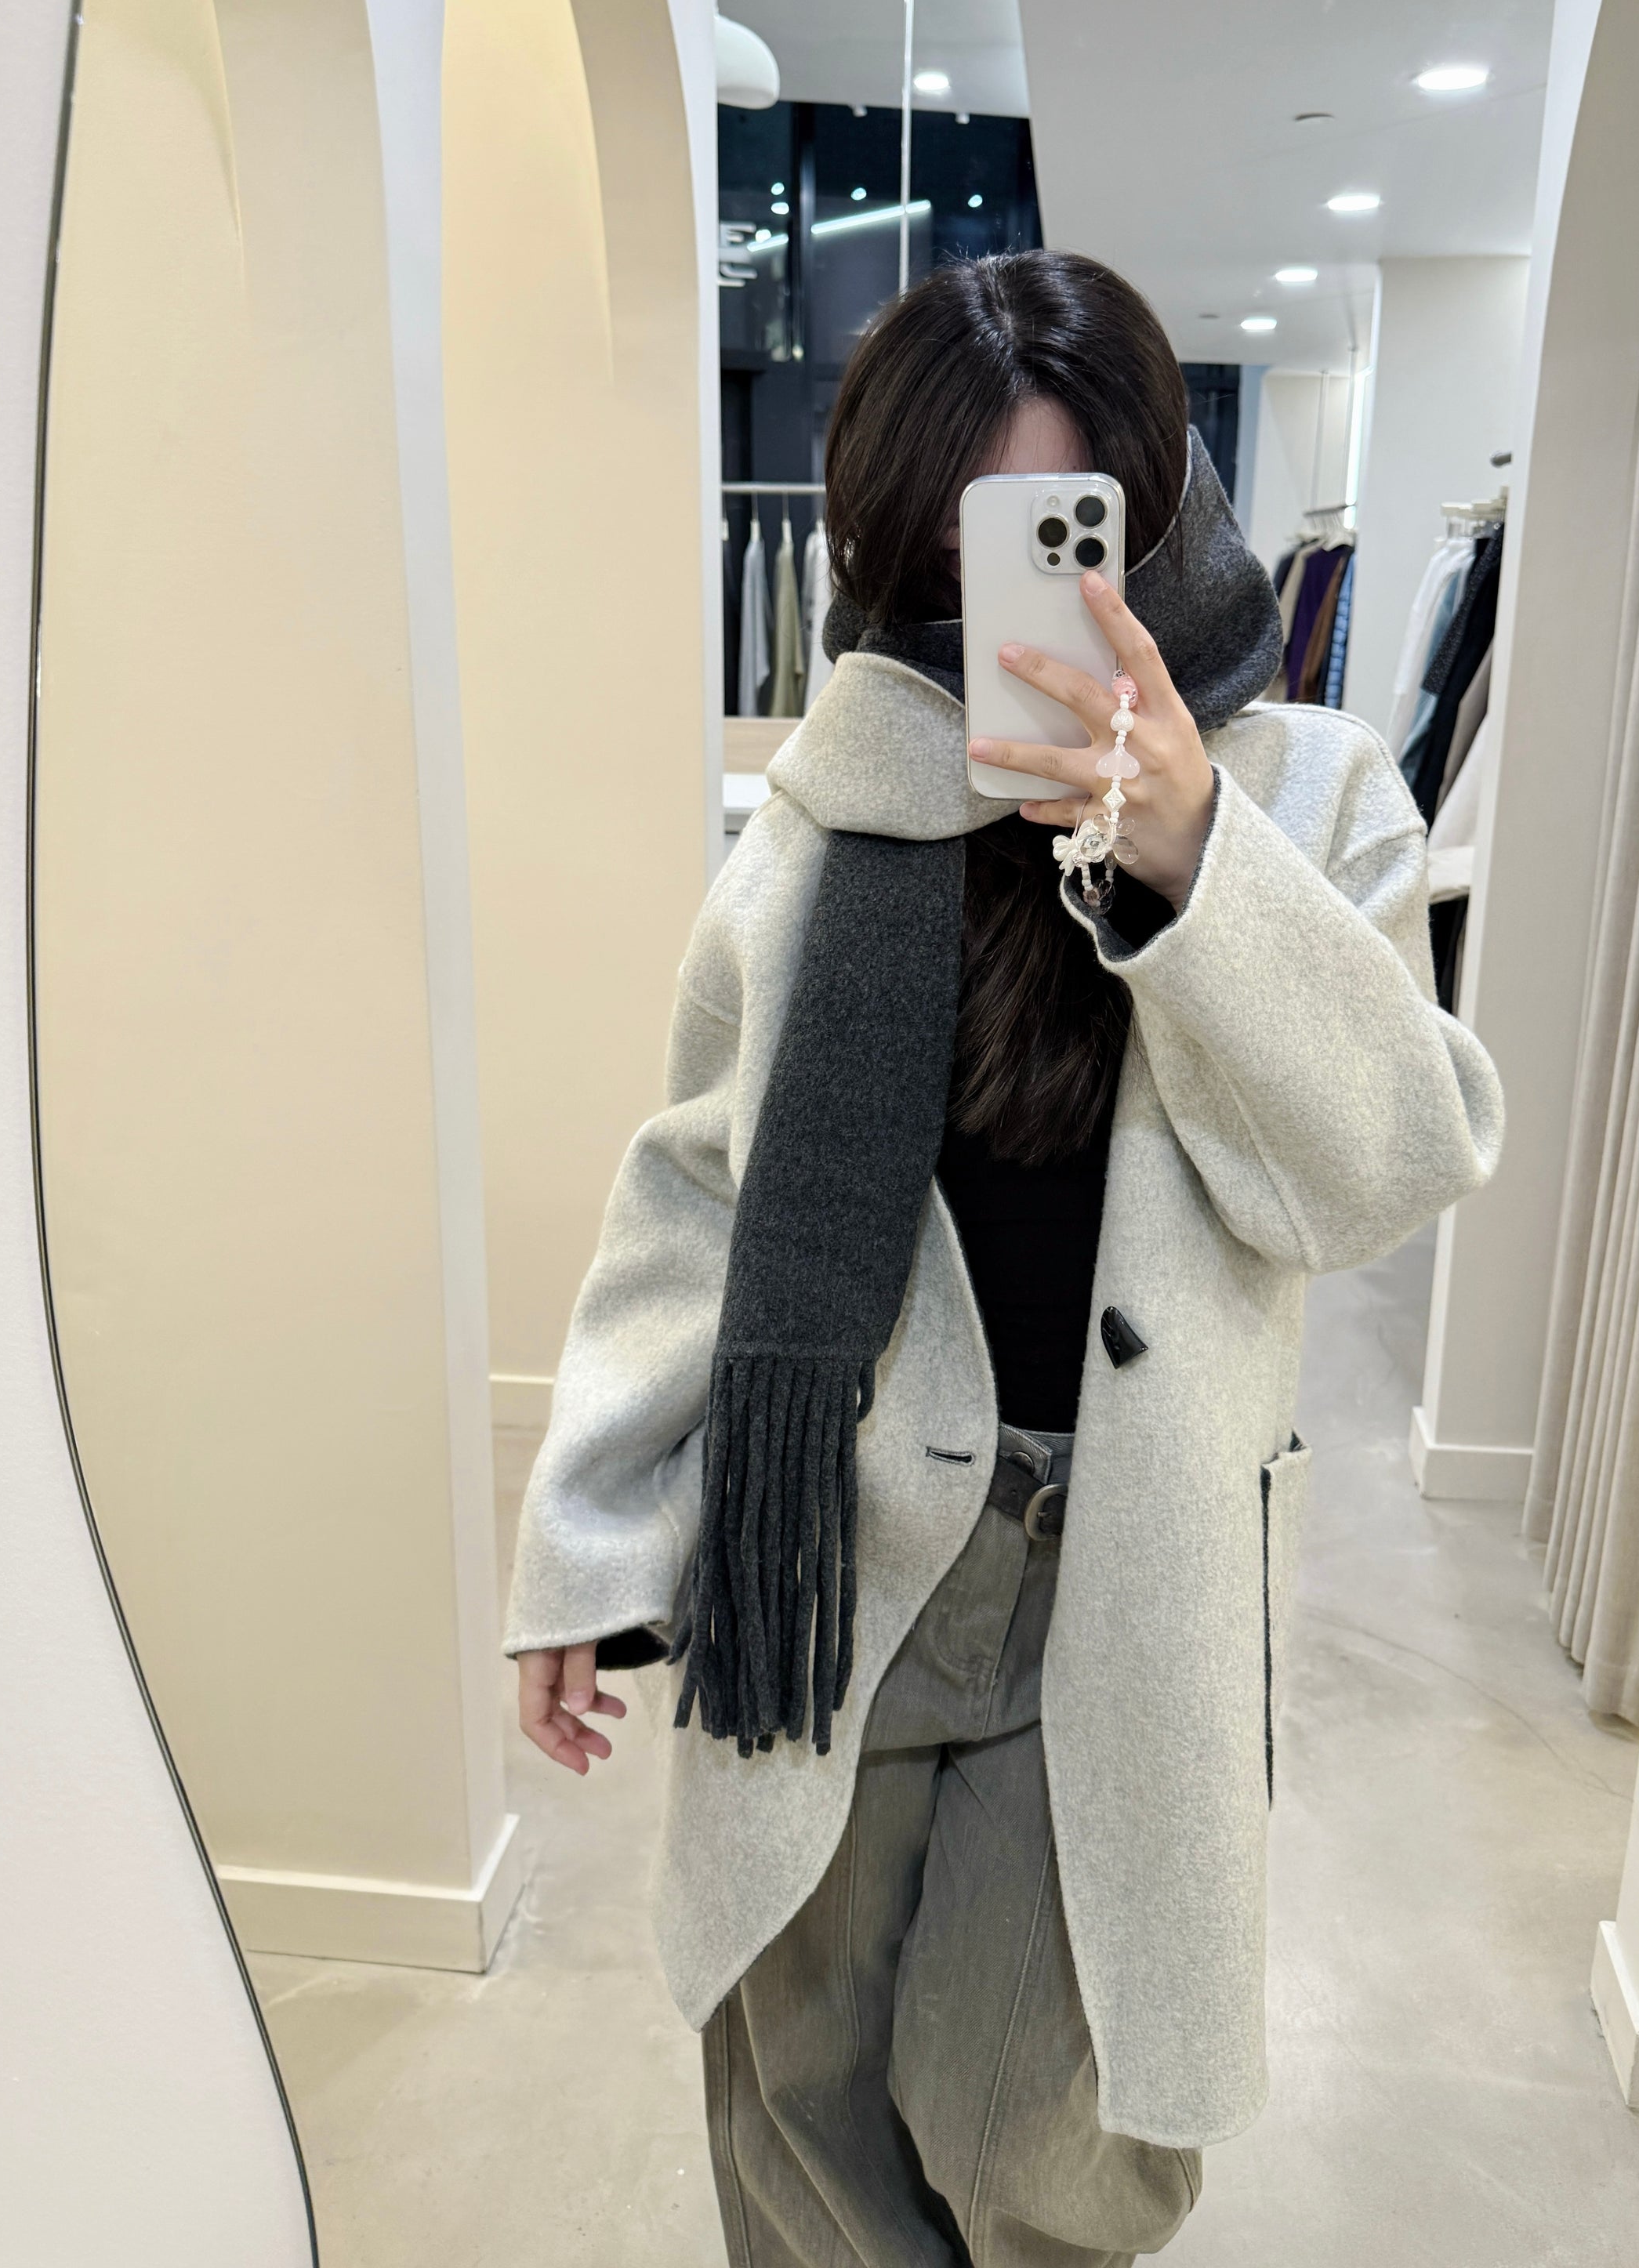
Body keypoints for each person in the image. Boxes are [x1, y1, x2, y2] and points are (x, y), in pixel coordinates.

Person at [506, 250, 1503, 2268]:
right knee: (799, 2095)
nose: (1016, 611)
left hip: (1119, 1571)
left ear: (1156, 509)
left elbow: (1392, 1162)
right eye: (967, 544)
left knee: (1041, 2129)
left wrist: (1191, 852)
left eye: (1068, 531)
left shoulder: (1310, 793)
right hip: (842, 1543)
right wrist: (589, 1536)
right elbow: (699, 1190)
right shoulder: (833, 802)